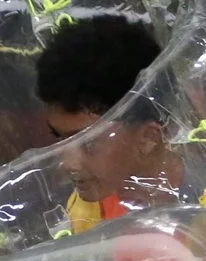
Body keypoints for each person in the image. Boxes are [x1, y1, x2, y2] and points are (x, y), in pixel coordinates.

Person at [33, 14, 180, 233]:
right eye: (60, 139)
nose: (68, 164)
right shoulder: (85, 215)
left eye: (88, 143)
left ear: (149, 138)